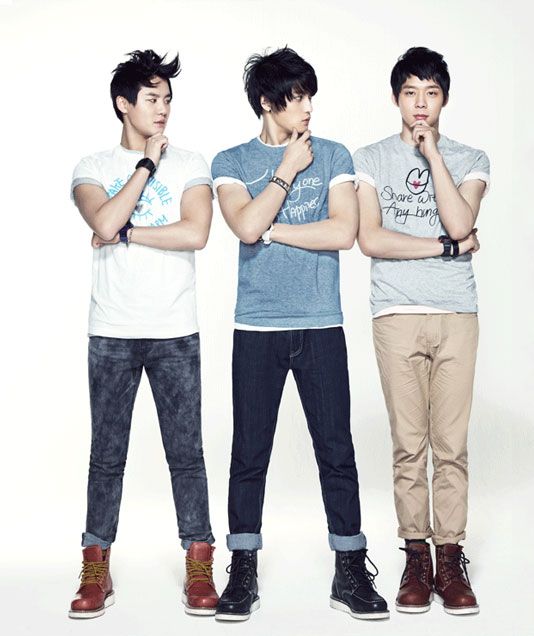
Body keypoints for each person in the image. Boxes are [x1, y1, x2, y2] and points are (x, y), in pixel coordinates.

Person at [211, 46, 388, 622]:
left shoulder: (334, 154)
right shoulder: (231, 160)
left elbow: (342, 232)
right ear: (267, 102)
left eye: (310, 95)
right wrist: (286, 170)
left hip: (320, 324)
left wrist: (274, 230)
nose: (308, 106)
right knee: (249, 452)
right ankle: (242, 568)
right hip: (256, 327)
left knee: (336, 450)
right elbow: (243, 224)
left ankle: (350, 569)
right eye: (296, 97)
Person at [68, 49, 217, 619]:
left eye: (168, 99)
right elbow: (101, 219)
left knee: (187, 455)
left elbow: (196, 232)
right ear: (122, 104)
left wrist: (126, 231)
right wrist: (146, 167)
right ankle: (95, 566)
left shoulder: (193, 162)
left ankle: (199, 562)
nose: (163, 108)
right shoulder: (91, 166)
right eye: (152, 98)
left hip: (175, 329)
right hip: (111, 331)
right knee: (106, 457)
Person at [353, 46, 489, 616]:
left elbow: (461, 220)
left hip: (456, 314)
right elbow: (372, 240)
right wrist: (447, 248)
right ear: (395, 98)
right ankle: (415, 556)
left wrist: (432, 154)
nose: (420, 104)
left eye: (431, 93)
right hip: (396, 314)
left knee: (450, 446)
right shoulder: (369, 158)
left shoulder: (470, 157)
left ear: (444, 99)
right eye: (410, 93)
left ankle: (449, 558)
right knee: (409, 444)